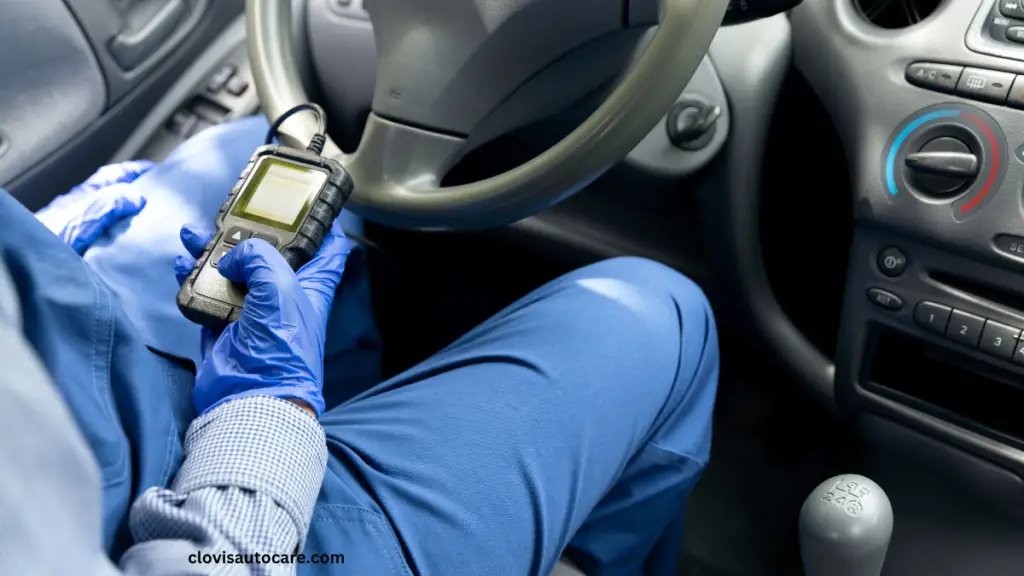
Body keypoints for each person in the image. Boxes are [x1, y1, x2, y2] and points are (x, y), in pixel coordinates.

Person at [0, 117, 719, 575]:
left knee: (249, 143)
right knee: (665, 316)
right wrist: (266, 405)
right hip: (212, 527)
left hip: (67, 371)